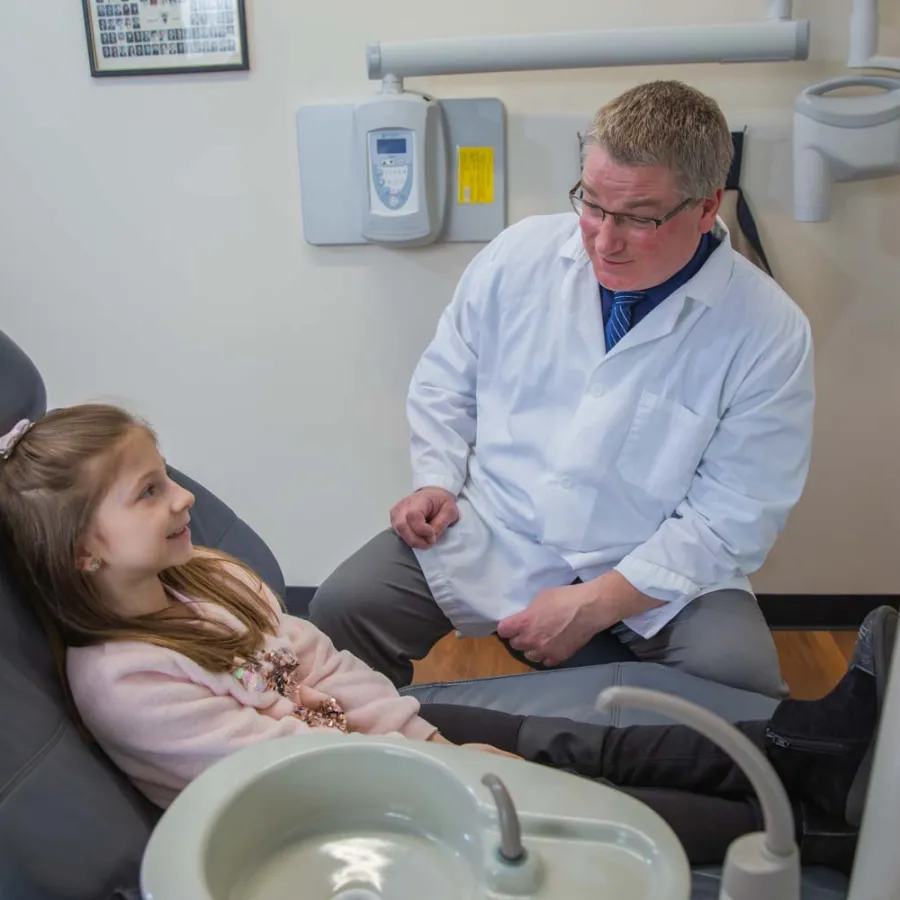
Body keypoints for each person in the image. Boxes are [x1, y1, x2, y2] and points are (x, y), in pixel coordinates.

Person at [0, 406, 888, 873]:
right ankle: (811, 835)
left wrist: (416, 720)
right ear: (84, 549)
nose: (183, 498)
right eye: (150, 492)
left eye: (169, 478)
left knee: (601, 744)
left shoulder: (211, 580)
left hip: (391, 738)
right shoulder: (123, 680)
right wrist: (435, 757)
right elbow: (282, 771)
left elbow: (320, 660)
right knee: (605, 807)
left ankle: (810, 749)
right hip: (362, 796)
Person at [310, 80, 815, 698]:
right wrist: (436, 479)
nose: (603, 240)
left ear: (707, 208)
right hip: (497, 523)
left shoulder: (769, 328)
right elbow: (448, 376)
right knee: (343, 608)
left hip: (651, 563)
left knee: (741, 686)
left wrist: (599, 603)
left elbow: (736, 511)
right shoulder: (518, 256)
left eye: (638, 218)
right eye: (593, 204)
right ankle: (386, 765)